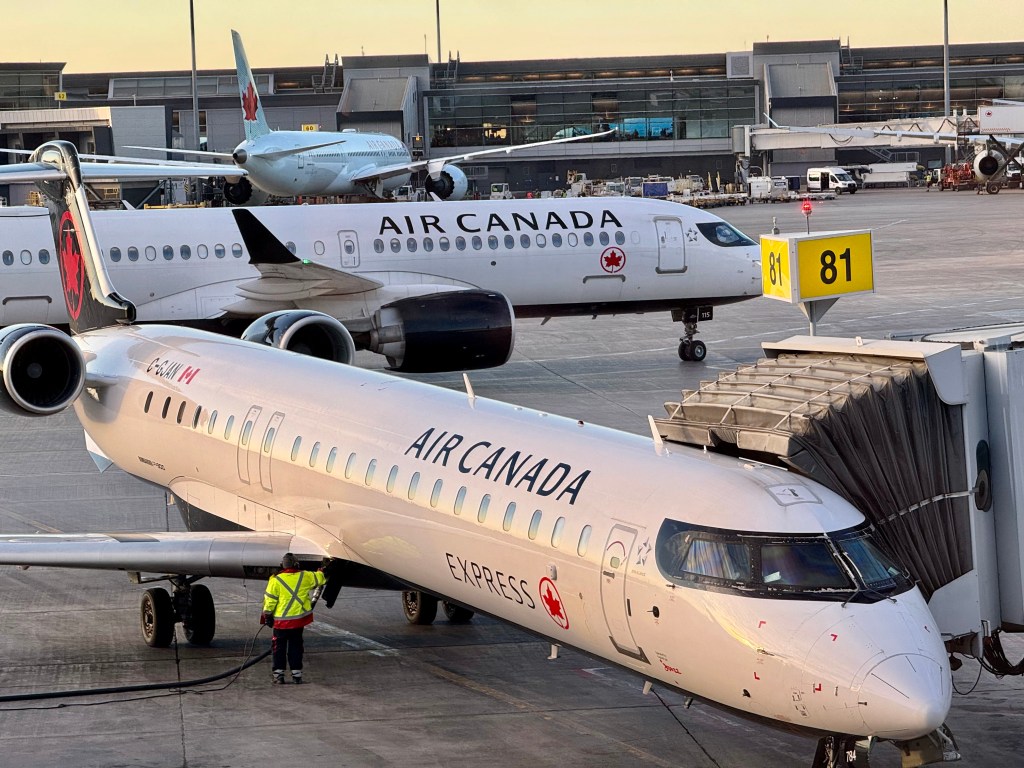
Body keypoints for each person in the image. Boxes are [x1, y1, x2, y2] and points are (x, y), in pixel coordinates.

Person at [262, 552, 327, 684]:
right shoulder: (305, 576)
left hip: (280, 623)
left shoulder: (275, 580)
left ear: (282, 565)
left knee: (278, 648)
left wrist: (268, 616)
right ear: (296, 564)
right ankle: (297, 675)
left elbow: (270, 601)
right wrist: (323, 569)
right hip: (297, 622)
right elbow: (321, 578)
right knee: (296, 647)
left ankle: (278, 675)